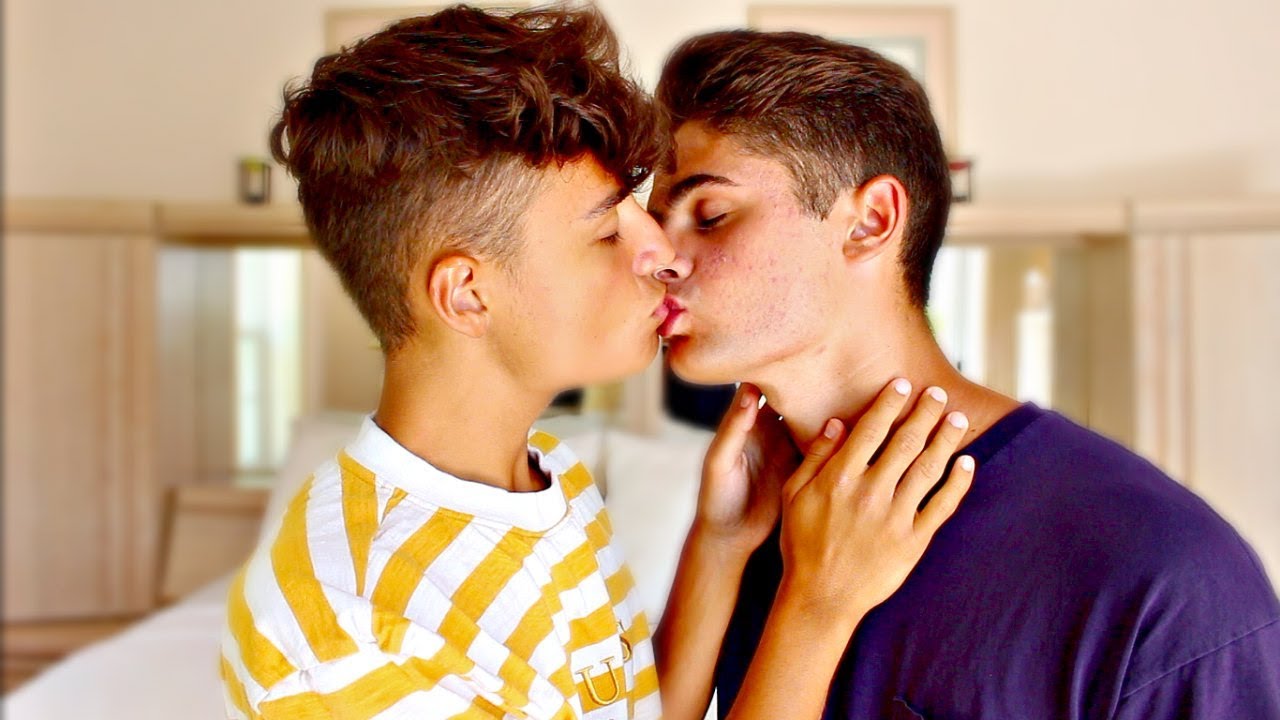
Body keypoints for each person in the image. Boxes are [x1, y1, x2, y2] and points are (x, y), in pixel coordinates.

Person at [219, 7, 975, 719]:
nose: (661, 250)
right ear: (468, 294)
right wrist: (819, 601)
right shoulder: (348, 626)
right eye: (606, 233)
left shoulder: (548, 479)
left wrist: (718, 546)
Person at [647, 28, 1280, 719]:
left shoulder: (1164, 575)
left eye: (711, 216)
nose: (660, 257)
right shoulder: (765, 522)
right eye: (656, 220)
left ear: (870, 222)